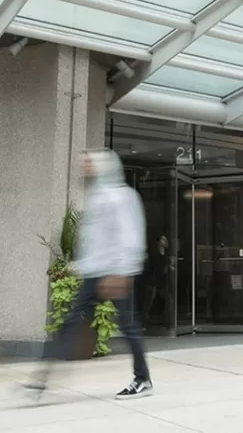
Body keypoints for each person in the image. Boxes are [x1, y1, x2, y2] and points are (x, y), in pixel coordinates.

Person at [26, 149, 152, 400]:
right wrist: (78, 268)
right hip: (93, 275)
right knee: (69, 324)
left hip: (115, 274)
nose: (85, 167)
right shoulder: (96, 196)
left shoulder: (123, 197)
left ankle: (142, 379)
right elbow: (94, 242)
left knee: (129, 328)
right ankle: (41, 381)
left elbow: (131, 237)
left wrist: (121, 273)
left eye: (89, 163)